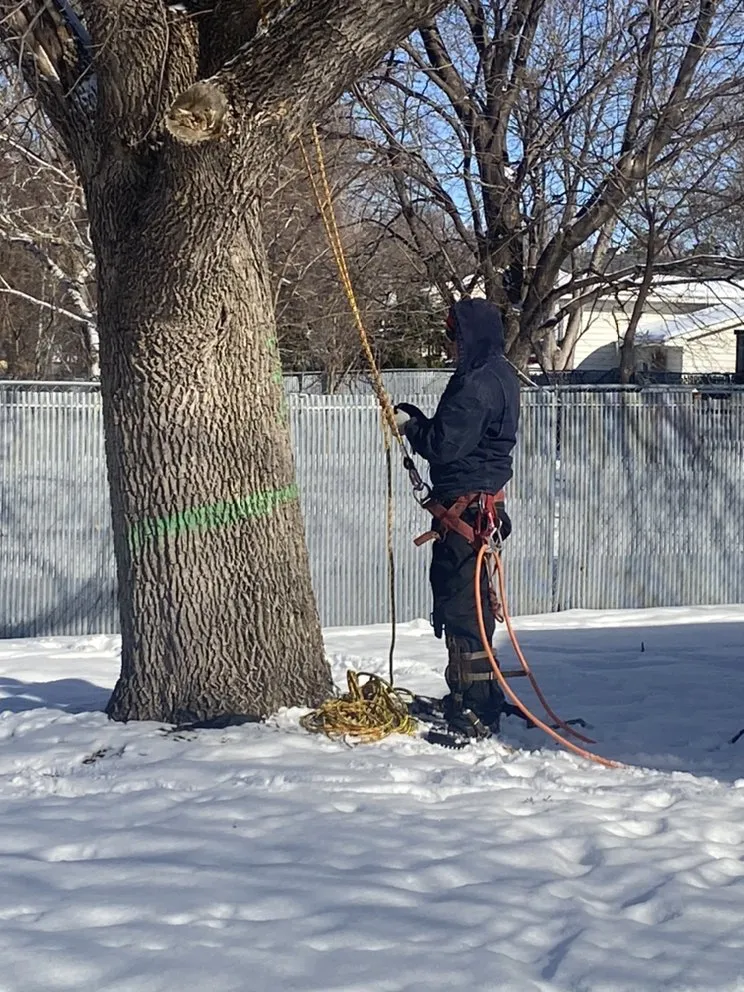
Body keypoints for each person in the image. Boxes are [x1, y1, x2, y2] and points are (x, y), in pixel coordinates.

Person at [394, 298, 520, 739]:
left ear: (468, 336)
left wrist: (413, 430)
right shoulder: (499, 373)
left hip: (466, 513)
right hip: (477, 509)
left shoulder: (477, 382)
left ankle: (475, 710)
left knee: (464, 608)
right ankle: (475, 698)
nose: (449, 345)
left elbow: (446, 444)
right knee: (473, 605)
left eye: (453, 336)